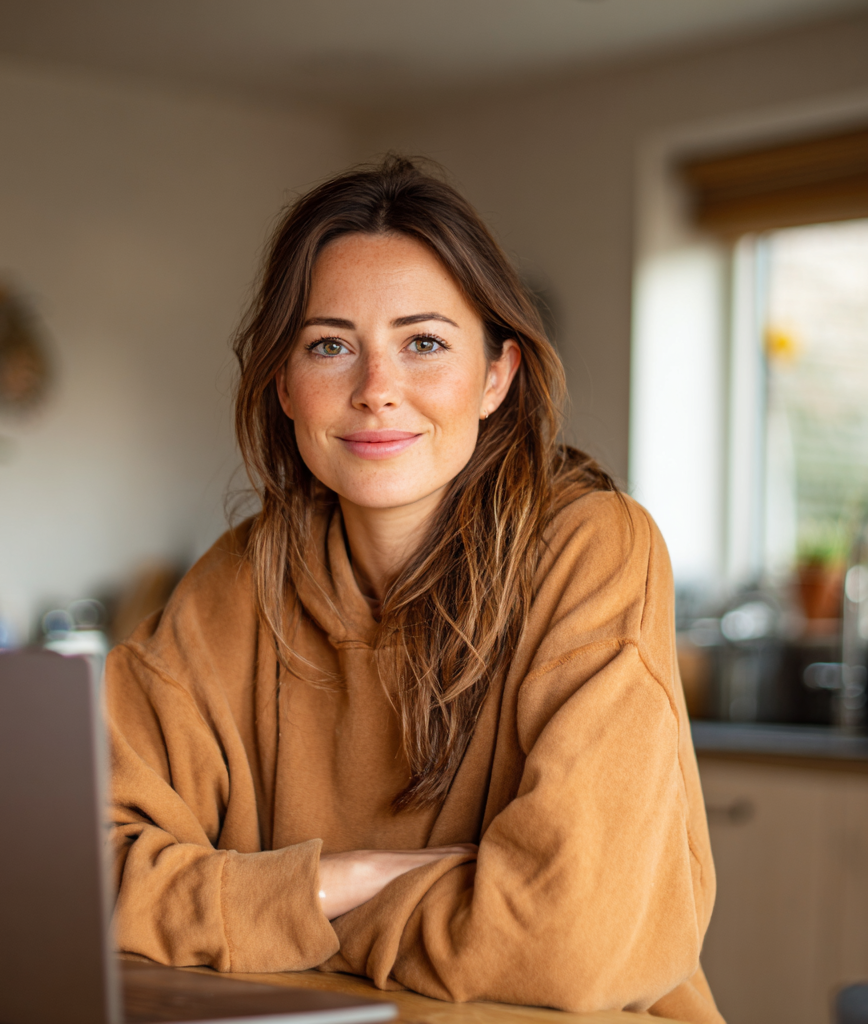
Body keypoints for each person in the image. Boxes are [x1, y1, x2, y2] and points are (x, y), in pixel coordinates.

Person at [105, 157, 723, 1024]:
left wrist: (288, 909)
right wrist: (331, 881)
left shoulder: (597, 551)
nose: (376, 390)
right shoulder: (236, 583)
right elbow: (78, 870)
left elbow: (567, 944)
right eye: (331, 345)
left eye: (423, 342)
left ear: (497, 377)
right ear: (285, 383)